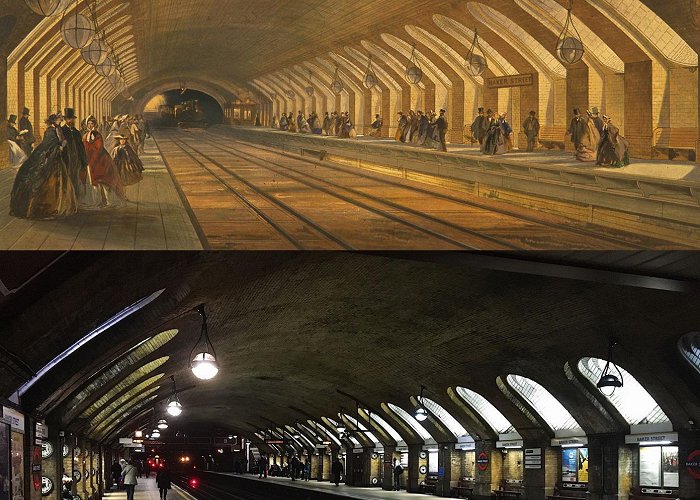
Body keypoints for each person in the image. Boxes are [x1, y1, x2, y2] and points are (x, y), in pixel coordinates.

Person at [10, 113, 79, 219]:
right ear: (54, 120)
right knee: (44, 180)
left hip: (56, 158)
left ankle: (57, 206)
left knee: (58, 182)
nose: (60, 121)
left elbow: (61, 141)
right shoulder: (50, 131)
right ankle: (45, 209)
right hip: (49, 157)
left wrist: (62, 144)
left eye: (60, 120)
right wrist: (59, 146)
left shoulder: (58, 129)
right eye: (59, 120)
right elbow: (49, 144)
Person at [83, 115, 127, 207]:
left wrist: (87, 145)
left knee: (104, 182)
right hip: (91, 161)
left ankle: (108, 202)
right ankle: (96, 202)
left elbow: (98, 148)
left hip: (101, 161)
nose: (90, 125)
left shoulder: (97, 135)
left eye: (92, 123)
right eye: (89, 123)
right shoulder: (86, 135)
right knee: (94, 183)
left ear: (94, 124)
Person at [61, 108, 88, 196]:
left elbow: (81, 147)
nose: (71, 120)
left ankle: (75, 200)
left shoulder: (76, 132)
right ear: (65, 120)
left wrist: (84, 161)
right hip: (66, 160)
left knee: (75, 179)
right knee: (66, 180)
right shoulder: (62, 131)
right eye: (69, 118)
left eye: (72, 119)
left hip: (76, 160)